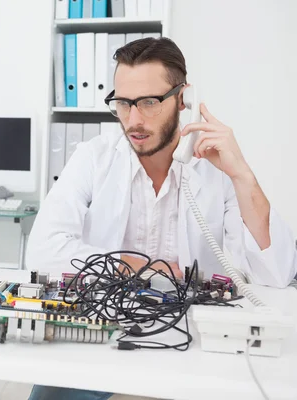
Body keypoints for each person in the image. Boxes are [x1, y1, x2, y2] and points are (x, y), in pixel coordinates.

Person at [25, 37, 297, 400]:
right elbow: (43, 250)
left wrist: (243, 176)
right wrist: (154, 268)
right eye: (123, 103)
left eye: (150, 102)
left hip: (200, 334)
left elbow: (276, 275)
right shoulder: (93, 157)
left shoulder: (216, 170)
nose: (134, 120)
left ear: (182, 98)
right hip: (106, 326)